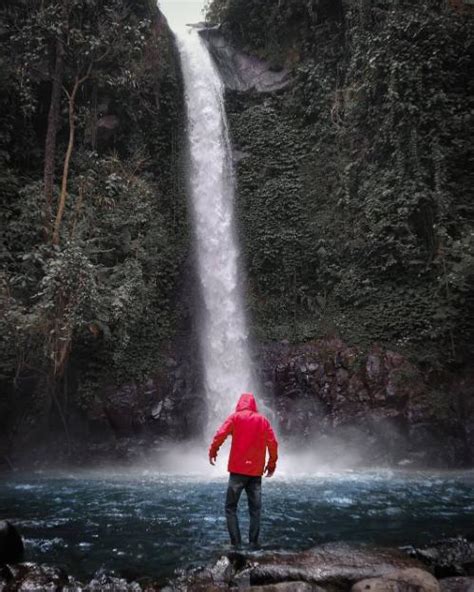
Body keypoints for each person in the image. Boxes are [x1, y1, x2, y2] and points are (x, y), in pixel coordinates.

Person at [208, 392, 278, 549]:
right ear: (254, 405)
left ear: (239, 404)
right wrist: (271, 463)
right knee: (255, 509)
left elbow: (220, 435)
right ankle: (253, 543)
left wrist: (213, 451)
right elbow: (273, 443)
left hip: (237, 471)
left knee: (230, 507)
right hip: (255, 473)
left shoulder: (235, 417)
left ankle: (236, 544)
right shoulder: (263, 421)